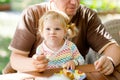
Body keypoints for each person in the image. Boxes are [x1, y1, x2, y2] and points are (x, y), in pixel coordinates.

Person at [3, 0, 120, 75]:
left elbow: (112, 48)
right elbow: (16, 59)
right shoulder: (32, 14)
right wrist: (34, 64)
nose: (74, 2)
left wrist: (110, 60)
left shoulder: (87, 16)